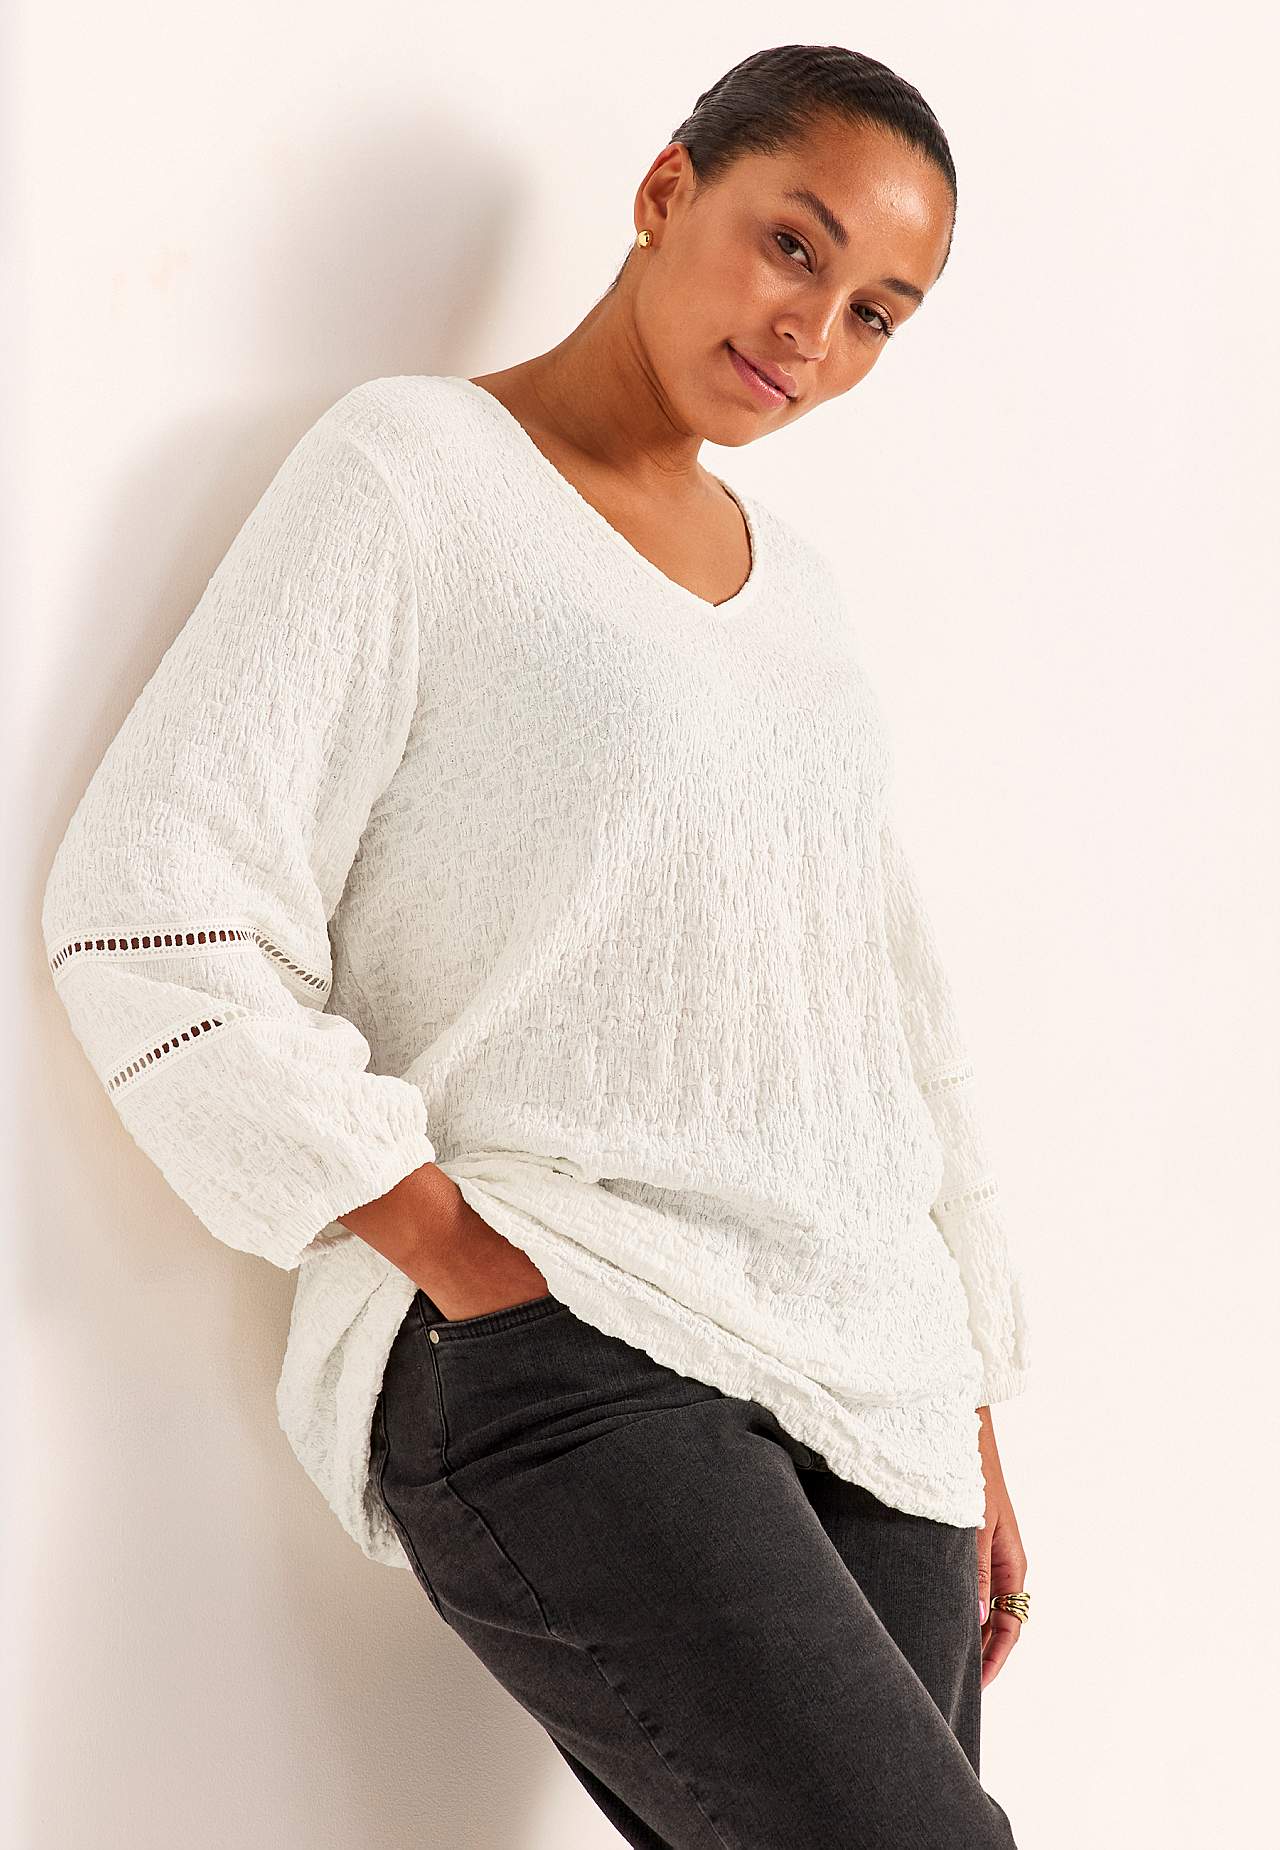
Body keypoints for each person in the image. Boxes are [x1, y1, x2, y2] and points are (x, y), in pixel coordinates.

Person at [41, 41, 1033, 1849]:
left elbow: (887, 1016)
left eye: (877, 315)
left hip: (866, 1369)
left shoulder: (803, 602)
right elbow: (149, 905)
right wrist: (455, 1247)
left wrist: (958, 1392)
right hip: (574, 1339)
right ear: (667, 190)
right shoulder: (414, 476)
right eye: (793, 246)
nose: (813, 331)